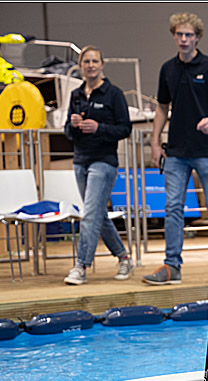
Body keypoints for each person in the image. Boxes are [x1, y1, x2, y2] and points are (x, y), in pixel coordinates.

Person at [143, 12, 208, 285]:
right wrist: (155, 142)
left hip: (207, 149)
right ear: (174, 36)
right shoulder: (167, 69)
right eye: (179, 34)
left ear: (197, 37)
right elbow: (161, 107)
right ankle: (172, 267)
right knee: (173, 208)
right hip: (176, 152)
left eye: (188, 35)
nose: (183, 39)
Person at [62, 46, 133, 286]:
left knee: (90, 213)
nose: (90, 65)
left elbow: (125, 128)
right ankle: (123, 257)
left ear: (102, 65)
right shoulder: (75, 95)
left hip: (104, 162)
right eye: (86, 62)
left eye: (95, 61)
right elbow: (67, 132)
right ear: (81, 66)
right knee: (98, 215)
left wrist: (99, 128)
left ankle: (81, 265)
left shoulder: (113, 94)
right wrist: (72, 125)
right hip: (80, 160)